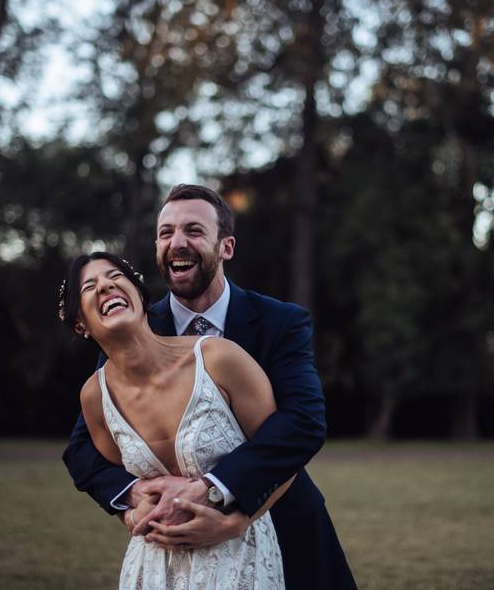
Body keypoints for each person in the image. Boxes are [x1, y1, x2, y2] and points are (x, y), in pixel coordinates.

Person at [63, 185, 356, 589]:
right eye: (166, 233)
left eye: (193, 231)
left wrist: (224, 506)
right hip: (169, 550)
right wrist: (135, 498)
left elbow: (303, 422)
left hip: (283, 524)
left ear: (226, 247)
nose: (177, 242)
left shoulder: (279, 322)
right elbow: (83, 449)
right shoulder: (133, 327)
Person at [60, 251, 287, 588]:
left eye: (115, 277)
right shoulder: (95, 397)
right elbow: (103, 468)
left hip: (238, 558)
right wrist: (130, 509)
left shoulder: (218, 359)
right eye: (89, 286)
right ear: (80, 323)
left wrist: (235, 521)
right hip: (152, 566)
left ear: (139, 293)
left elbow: (282, 455)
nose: (105, 286)